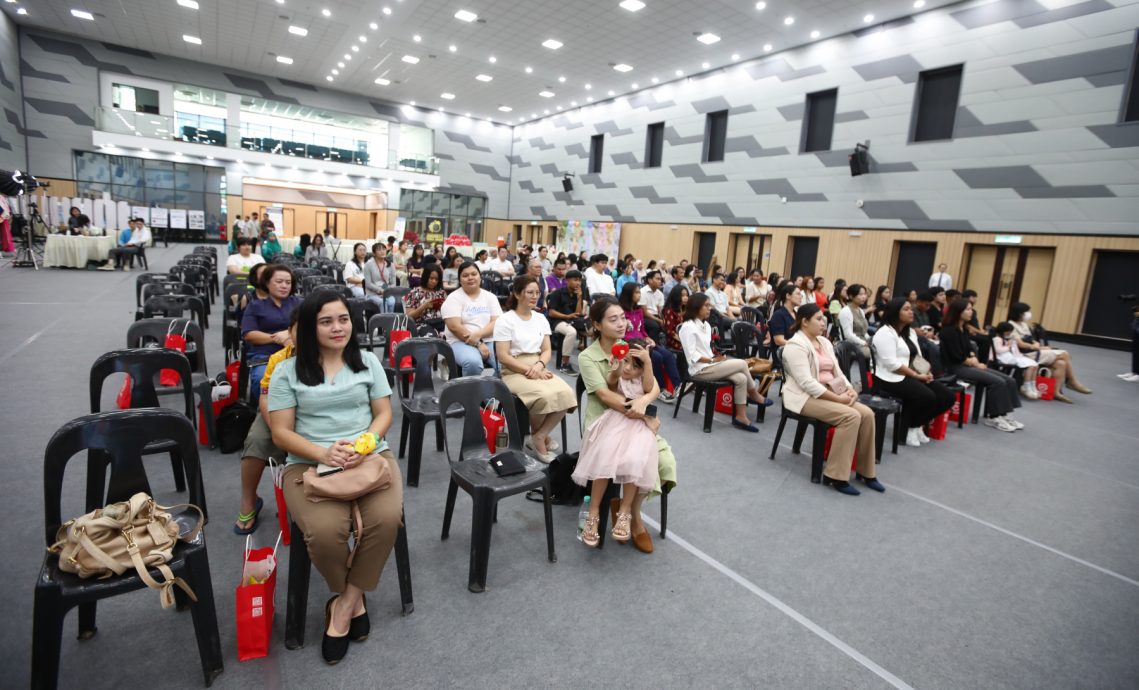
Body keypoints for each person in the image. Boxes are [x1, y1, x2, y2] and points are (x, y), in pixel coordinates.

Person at [267, 291, 403, 665]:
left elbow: (383, 415)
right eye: (326, 321)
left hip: (369, 456)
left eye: (343, 319)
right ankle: (354, 601)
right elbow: (281, 433)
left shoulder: (368, 362)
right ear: (310, 327)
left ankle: (342, 607)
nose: (338, 327)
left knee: (387, 519)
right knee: (326, 533)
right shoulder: (287, 371)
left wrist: (367, 442)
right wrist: (324, 452)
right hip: (308, 463)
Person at [577, 298, 678, 553]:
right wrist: (644, 414)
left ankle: (630, 511)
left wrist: (645, 401)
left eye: (623, 317)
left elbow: (652, 385)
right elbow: (606, 395)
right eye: (613, 319)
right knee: (613, 458)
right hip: (606, 421)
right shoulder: (589, 357)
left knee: (663, 463)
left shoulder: (633, 346)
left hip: (637, 423)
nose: (622, 323)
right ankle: (621, 515)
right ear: (597, 325)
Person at [781, 304, 882, 494]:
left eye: (823, 318)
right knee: (851, 416)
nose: (823, 322)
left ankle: (866, 472)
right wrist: (839, 400)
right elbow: (807, 384)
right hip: (805, 398)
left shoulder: (824, 342)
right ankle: (835, 475)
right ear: (804, 322)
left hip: (833, 393)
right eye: (818, 319)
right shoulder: (795, 346)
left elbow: (838, 372)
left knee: (867, 414)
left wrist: (850, 390)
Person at [572, 337, 661, 547]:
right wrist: (619, 365)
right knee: (604, 459)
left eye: (634, 365)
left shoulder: (645, 380)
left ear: (643, 368)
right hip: (615, 422)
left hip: (637, 428)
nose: (629, 368)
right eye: (627, 361)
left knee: (634, 461)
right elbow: (611, 381)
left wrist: (647, 362)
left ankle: (625, 511)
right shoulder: (620, 373)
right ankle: (593, 511)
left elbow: (649, 387)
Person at [492, 276, 577, 462]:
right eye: (529, 292)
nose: (534, 296)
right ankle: (540, 439)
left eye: (537, 293)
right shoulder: (505, 320)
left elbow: (546, 350)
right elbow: (503, 356)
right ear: (516, 293)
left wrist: (538, 366)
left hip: (538, 365)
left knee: (566, 393)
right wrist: (529, 370)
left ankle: (538, 435)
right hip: (513, 369)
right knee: (543, 395)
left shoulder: (540, 318)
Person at [234, 310, 299, 534]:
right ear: (290, 332)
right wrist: (277, 429)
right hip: (276, 412)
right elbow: (265, 397)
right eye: (299, 330)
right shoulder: (279, 359)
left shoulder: (326, 355)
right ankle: (249, 500)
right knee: (256, 441)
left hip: (309, 414)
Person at [679, 293, 770, 432]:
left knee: (741, 378)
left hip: (710, 365)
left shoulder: (706, 326)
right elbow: (691, 355)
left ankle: (741, 417)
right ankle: (754, 394)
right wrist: (713, 359)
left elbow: (706, 350)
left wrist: (716, 358)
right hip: (699, 370)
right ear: (696, 307)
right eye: (706, 306)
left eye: (709, 305)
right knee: (742, 363)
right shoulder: (687, 327)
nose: (710, 308)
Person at [871, 298, 956, 447]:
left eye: (911, 309)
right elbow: (891, 364)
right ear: (895, 312)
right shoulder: (885, 333)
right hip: (889, 378)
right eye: (906, 309)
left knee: (947, 396)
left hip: (909, 374)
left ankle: (917, 424)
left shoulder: (909, 332)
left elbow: (916, 357)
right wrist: (917, 375)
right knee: (927, 396)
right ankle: (911, 427)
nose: (911, 312)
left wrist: (927, 372)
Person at [939, 299, 1024, 432]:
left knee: (1010, 380)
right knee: (998, 382)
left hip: (969, 365)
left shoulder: (964, 329)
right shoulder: (948, 331)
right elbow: (956, 356)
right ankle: (994, 417)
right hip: (956, 368)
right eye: (967, 309)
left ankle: (1005, 414)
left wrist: (975, 360)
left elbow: (969, 349)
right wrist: (974, 363)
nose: (970, 312)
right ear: (958, 311)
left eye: (971, 309)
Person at [243, 265, 302, 406]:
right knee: (260, 378)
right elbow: (249, 334)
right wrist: (277, 338)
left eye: (288, 283)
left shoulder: (300, 303)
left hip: (297, 353)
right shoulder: (256, 306)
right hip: (265, 355)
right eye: (279, 281)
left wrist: (288, 335)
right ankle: (267, 413)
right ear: (267, 283)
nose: (284, 286)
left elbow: (311, 327)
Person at [1007, 302, 1091, 401]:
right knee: (1064, 354)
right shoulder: (1011, 325)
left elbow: (1030, 339)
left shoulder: (1024, 324)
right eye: (1027, 312)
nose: (1029, 314)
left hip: (1033, 351)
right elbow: (1020, 344)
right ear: (1019, 313)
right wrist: (1038, 347)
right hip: (1024, 354)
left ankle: (1055, 392)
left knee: (1061, 363)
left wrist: (1037, 344)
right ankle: (1072, 381)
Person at [620, 283, 681, 404]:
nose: (639, 294)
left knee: (668, 355)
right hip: (630, 343)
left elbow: (642, 330)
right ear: (629, 294)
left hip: (642, 340)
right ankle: (661, 389)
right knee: (657, 357)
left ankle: (678, 386)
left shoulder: (639, 311)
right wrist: (639, 340)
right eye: (636, 292)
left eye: (639, 292)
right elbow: (622, 333)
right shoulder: (621, 312)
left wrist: (648, 338)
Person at [441, 261, 502, 376]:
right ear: (459, 280)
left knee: (505, 362)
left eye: (474, 274)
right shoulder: (453, 298)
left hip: (489, 340)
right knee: (473, 362)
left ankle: (492, 389)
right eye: (465, 275)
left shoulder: (490, 297)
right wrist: (478, 343)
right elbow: (454, 326)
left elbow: (496, 322)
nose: (470, 278)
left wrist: (478, 336)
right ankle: (471, 393)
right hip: (459, 342)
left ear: (480, 277)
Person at [546, 269, 586, 375]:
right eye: (575, 280)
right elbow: (551, 312)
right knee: (571, 332)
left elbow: (578, 313)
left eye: (579, 281)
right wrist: (567, 316)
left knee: (593, 329)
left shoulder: (578, 293)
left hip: (572, 320)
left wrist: (579, 298)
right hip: (557, 321)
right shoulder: (558, 293)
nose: (578, 283)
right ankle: (565, 364)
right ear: (567, 281)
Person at [993, 321, 1040, 400]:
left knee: (1035, 364)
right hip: (1003, 357)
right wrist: (1008, 346)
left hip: (1008, 356)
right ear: (1004, 331)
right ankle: (1026, 386)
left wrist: (1011, 345)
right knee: (1030, 366)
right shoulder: (997, 339)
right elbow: (998, 350)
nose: (1010, 333)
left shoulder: (1004, 339)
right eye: (1009, 332)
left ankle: (1032, 385)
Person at [402, 263, 446, 332]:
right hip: (422, 325)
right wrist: (423, 306)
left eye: (436, 279)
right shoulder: (415, 292)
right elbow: (409, 316)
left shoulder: (441, 293)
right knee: (431, 336)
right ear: (426, 277)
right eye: (431, 278)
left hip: (440, 323)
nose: (434, 281)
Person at [838, 283, 872, 359]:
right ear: (851, 296)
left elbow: (864, 332)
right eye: (860, 294)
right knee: (874, 354)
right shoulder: (846, 311)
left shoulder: (861, 311)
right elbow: (848, 335)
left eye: (864, 294)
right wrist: (863, 343)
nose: (864, 297)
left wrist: (869, 340)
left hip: (862, 341)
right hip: (851, 344)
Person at [362, 243, 396, 312]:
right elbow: (368, 283)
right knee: (382, 302)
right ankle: (383, 321)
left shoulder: (390, 265)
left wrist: (384, 290)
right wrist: (379, 290)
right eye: (379, 250)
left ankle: (390, 321)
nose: (382, 251)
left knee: (392, 301)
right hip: (372, 293)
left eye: (383, 249)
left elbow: (393, 283)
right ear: (374, 253)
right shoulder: (368, 264)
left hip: (386, 291)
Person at [767, 282, 800, 348]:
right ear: (788, 296)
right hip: (783, 351)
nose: (800, 297)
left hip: (794, 348)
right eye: (798, 294)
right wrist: (798, 345)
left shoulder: (796, 314)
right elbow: (779, 340)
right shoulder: (779, 315)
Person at [661, 284, 689, 351]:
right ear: (676, 296)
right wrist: (683, 341)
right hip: (674, 339)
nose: (686, 298)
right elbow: (669, 331)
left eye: (687, 295)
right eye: (682, 295)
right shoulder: (669, 310)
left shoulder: (685, 308)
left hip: (685, 337)